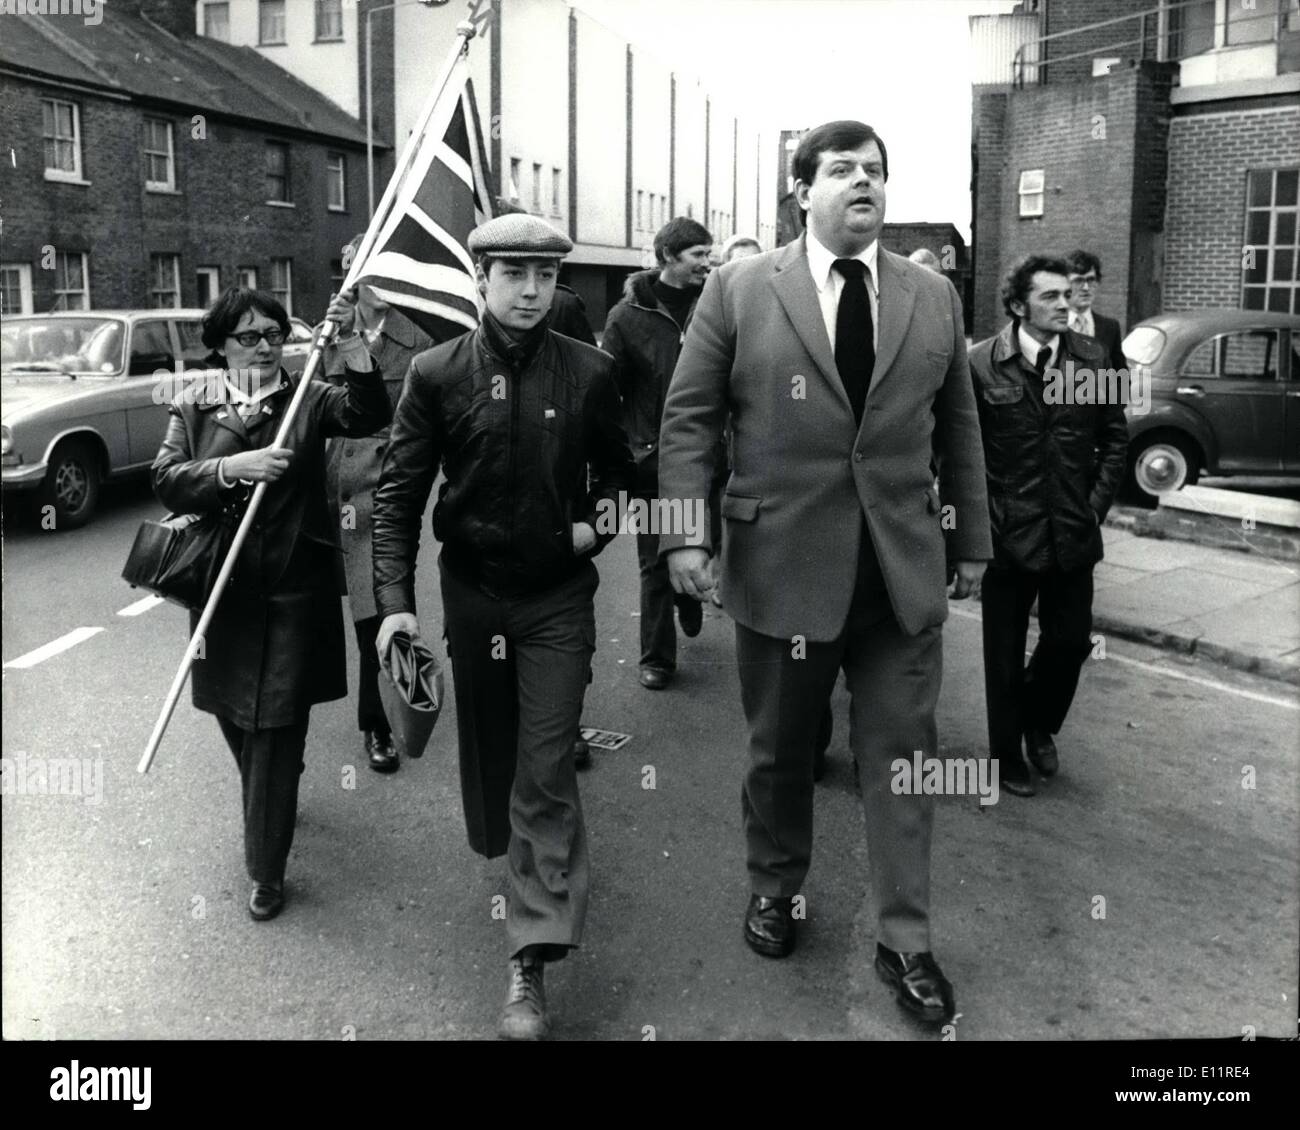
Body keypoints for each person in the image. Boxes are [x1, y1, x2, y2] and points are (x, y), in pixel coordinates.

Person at [657, 120, 991, 1026]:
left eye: (876, 171)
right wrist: (685, 536)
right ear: (800, 189)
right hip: (780, 565)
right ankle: (775, 887)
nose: (863, 184)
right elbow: (687, 420)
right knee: (779, 753)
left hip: (898, 573)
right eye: (842, 169)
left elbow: (958, 424)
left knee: (906, 762)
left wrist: (971, 542)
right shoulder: (737, 289)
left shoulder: (932, 296)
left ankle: (907, 939)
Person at [370, 213, 635, 1040]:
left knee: (546, 762)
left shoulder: (592, 373)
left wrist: (598, 527)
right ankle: (520, 859)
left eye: (545, 275)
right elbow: (397, 498)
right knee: (493, 758)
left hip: (557, 599)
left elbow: (630, 475)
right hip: (473, 593)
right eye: (514, 273)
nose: (530, 290)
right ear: (482, 278)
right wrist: (394, 607)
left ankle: (530, 955)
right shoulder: (435, 373)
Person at [152, 286, 391, 921]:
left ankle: (266, 870)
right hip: (221, 591)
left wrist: (348, 345)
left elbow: (369, 414)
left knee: (275, 730)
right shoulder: (195, 400)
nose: (263, 347)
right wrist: (234, 468)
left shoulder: (310, 394)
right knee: (236, 716)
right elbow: (167, 478)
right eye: (247, 337)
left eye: (273, 335)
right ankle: (273, 791)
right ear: (221, 347)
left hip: (294, 587)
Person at [968, 256, 1129, 797]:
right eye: (1051, 297)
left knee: (1069, 641)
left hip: (1071, 530)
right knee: (1002, 654)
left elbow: (1114, 440)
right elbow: (960, 456)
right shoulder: (982, 365)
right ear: (1018, 306)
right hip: (1007, 534)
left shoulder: (1091, 360)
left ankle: (1037, 722)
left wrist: (1094, 505)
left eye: (1068, 295)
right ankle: (1006, 752)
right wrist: (975, 524)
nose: (1066, 305)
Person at [322, 235, 436, 774]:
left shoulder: (418, 340)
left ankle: (378, 724)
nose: (384, 286)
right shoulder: (330, 335)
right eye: (372, 274)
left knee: (376, 612)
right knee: (323, 610)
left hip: (379, 493)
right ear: (352, 277)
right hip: (329, 491)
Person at [601, 216, 714, 691]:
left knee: (698, 546)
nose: (707, 265)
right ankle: (657, 659)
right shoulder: (626, 318)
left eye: (710, 255)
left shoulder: (715, 306)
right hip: (651, 460)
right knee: (653, 561)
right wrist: (623, 449)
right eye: (698, 256)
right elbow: (609, 390)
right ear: (668, 257)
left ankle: (687, 596)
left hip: (709, 456)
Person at [1064, 249, 1126, 372]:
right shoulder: (1052, 326)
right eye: (1078, 281)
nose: (1086, 288)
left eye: (1091, 280)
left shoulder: (1110, 327)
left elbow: (1121, 376)